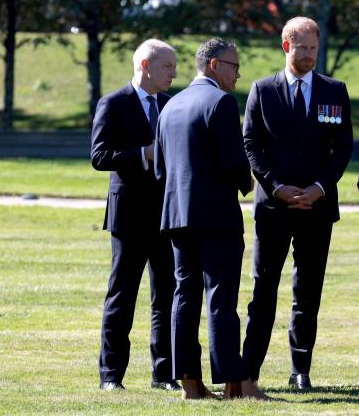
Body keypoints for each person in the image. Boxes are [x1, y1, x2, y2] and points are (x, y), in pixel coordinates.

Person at [242, 16, 353, 390]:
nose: (308, 55)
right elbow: (251, 146)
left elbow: (343, 149)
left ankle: (300, 370)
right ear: (286, 46)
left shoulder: (334, 91)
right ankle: (249, 372)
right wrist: (276, 187)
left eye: (313, 48)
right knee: (263, 290)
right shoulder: (262, 90)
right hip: (274, 208)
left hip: (317, 208)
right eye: (301, 47)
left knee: (308, 292)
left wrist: (320, 187)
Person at [154, 37, 268, 400]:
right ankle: (234, 383)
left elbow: (160, 167)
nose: (238, 74)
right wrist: (245, 182)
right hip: (216, 216)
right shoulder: (220, 102)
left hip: (176, 215)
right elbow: (235, 161)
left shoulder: (169, 106)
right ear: (216, 65)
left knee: (184, 296)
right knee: (221, 298)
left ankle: (189, 382)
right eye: (235, 66)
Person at [91, 39, 180, 391]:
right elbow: (99, 156)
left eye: (174, 66)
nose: (173, 73)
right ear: (145, 65)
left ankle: (164, 375)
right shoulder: (113, 103)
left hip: (166, 216)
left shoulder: (171, 105)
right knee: (122, 296)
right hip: (128, 216)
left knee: (167, 296)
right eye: (167, 66)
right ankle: (111, 376)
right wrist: (141, 153)